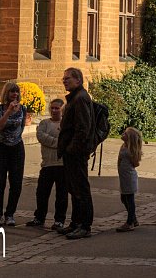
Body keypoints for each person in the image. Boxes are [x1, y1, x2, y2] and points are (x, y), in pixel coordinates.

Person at [58, 67, 95, 239]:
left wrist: (72, 148)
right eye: (64, 78)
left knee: (81, 189)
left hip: (76, 152)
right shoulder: (76, 97)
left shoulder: (80, 98)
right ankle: (75, 223)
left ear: (78, 80)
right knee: (73, 188)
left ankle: (84, 225)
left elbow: (83, 127)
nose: (64, 81)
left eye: (68, 78)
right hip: (71, 151)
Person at [26, 98, 68, 230]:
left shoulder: (66, 124)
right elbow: (41, 136)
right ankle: (39, 217)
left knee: (61, 195)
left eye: (57, 108)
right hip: (47, 164)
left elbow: (66, 139)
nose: (54, 110)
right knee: (42, 193)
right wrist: (58, 144)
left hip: (62, 164)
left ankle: (59, 220)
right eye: (53, 108)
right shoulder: (44, 123)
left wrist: (59, 144)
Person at [0, 81, 26, 226]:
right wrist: (8, 112)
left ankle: (10, 214)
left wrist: (15, 138)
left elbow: (22, 126)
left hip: (16, 148)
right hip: (0, 148)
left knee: (16, 183)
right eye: (12, 92)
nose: (15, 94)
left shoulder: (23, 109)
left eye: (17, 92)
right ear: (7, 93)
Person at [115, 127, 142, 232]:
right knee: (123, 198)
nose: (122, 134)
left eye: (125, 134)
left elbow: (135, 163)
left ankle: (130, 221)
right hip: (123, 176)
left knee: (129, 199)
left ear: (130, 138)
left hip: (129, 177)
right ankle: (133, 219)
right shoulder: (123, 146)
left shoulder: (131, 149)